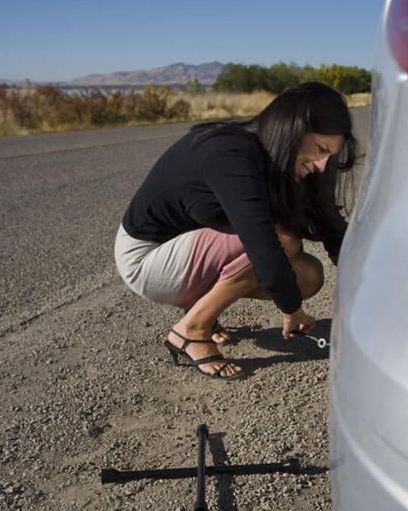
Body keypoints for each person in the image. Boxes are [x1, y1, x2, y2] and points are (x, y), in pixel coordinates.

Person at [115, 82, 357, 380]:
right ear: (294, 128)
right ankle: (192, 330)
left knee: (307, 275)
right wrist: (292, 309)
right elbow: (263, 246)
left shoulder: (278, 160)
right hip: (146, 257)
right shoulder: (232, 153)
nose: (322, 165)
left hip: (187, 249)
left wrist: (369, 287)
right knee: (283, 241)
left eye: (330, 155)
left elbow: (329, 224)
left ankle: (201, 311)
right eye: (321, 149)